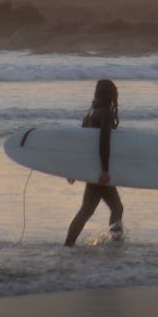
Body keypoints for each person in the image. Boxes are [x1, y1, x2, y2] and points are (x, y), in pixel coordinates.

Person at [64, 79, 124, 246]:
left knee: (89, 209)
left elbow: (82, 145)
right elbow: (104, 142)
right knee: (115, 208)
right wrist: (104, 170)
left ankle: (68, 245)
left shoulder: (89, 112)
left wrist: (74, 168)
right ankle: (115, 242)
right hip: (99, 169)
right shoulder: (105, 113)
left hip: (92, 168)